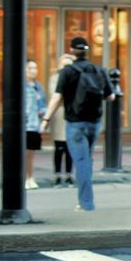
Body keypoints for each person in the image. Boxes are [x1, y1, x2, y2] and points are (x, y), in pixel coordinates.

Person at [41, 37, 111, 211]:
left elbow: (57, 98)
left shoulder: (67, 72)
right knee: (87, 159)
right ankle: (85, 200)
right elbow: (110, 96)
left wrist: (46, 120)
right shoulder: (100, 70)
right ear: (87, 51)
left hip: (75, 123)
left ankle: (86, 203)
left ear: (72, 51)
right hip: (94, 122)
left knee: (81, 161)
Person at [48, 53, 75, 186]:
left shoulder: (77, 77)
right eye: (64, 65)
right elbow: (55, 95)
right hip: (59, 115)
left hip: (72, 115)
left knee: (70, 147)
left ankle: (70, 174)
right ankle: (58, 175)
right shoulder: (55, 78)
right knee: (59, 147)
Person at [23, 60, 46, 190]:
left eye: (35, 68)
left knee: (31, 153)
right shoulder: (22, 86)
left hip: (34, 124)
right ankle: (24, 178)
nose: (33, 70)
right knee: (24, 153)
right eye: (30, 68)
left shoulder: (38, 86)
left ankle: (30, 177)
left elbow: (42, 105)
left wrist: (44, 119)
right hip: (25, 125)